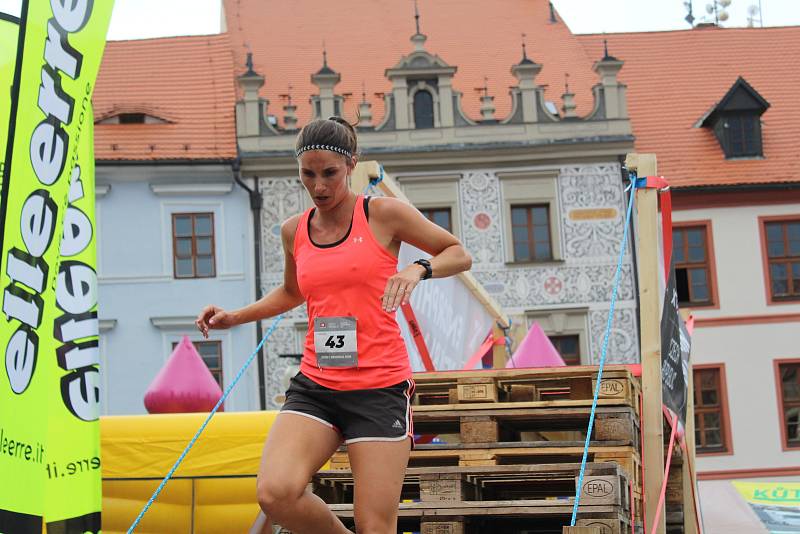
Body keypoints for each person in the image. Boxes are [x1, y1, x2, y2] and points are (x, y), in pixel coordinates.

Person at [195, 116, 472, 534]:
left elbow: (458, 253)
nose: (319, 186)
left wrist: (417, 269)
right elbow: (292, 293)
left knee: (375, 525)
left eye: (330, 174)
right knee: (275, 492)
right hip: (317, 386)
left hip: (378, 388)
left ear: (351, 165)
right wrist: (236, 316)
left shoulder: (383, 215)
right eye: (308, 174)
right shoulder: (295, 231)